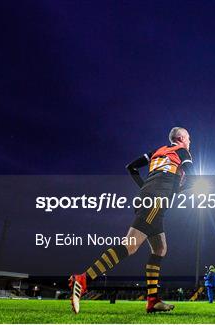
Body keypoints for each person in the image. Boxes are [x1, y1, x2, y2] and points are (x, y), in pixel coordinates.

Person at [68, 127, 195, 314]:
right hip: (156, 201)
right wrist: (176, 190)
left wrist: (146, 187)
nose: (190, 142)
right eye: (189, 138)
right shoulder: (182, 151)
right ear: (182, 138)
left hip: (147, 198)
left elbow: (131, 167)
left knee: (160, 248)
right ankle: (84, 278)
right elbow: (192, 178)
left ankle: (153, 300)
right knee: (130, 245)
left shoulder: (157, 151)